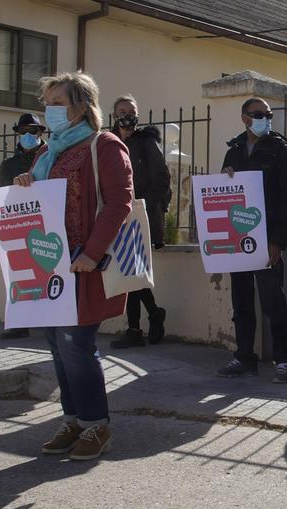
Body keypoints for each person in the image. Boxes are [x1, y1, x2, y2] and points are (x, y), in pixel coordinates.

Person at [13, 71, 133, 462]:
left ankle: (97, 424)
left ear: (82, 106)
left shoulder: (104, 145)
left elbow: (118, 204)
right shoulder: (47, 153)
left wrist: (92, 252)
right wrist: (27, 182)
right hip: (48, 261)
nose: (50, 111)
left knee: (77, 345)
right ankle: (74, 419)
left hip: (84, 263)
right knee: (56, 346)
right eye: (47, 103)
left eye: (58, 103)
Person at [217, 97, 287, 384]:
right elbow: (226, 191)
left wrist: (278, 242)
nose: (265, 118)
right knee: (240, 301)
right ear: (244, 118)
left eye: (268, 114)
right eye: (258, 114)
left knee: (273, 301)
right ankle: (244, 357)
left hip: (267, 239)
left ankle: (285, 361)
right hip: (238, 238)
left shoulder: (281, 150)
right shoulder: (235, 150)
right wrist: (225, 178)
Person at [109, 94, 170, 349]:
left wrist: (147, 208)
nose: (127, 115)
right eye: (122, 111)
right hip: (115, 214)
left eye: (131, 110)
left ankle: (136, 328)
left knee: (132, 269)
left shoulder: (146, 142)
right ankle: (153, 314)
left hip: (139, 214)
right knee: (129, 270)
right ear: (114, 115)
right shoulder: (108, 142)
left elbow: (162, 179)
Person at [0, 113, 47, 340]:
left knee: (50, 272)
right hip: (20, 225)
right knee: (19, 274)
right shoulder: (9, 165)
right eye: (23, 131)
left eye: (32, 131)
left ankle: (54, 320)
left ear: (40, 133)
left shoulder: (51, 158)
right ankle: (20, 322)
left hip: (48, 224)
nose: (28, 135)